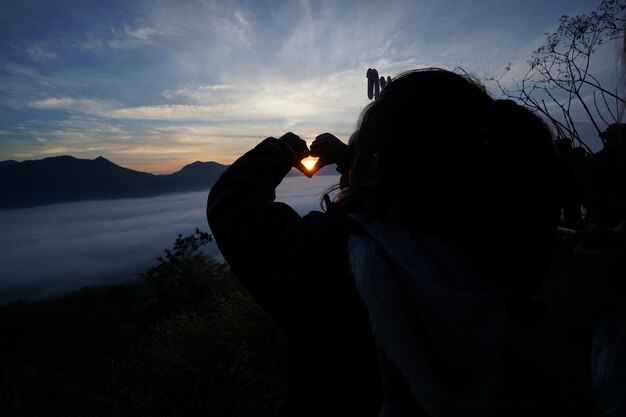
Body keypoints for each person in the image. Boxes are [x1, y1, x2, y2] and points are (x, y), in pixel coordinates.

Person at [206, 67, 559, 417]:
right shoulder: (491, 250)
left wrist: (283, 149)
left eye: (359, 146)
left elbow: (232, 203)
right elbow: (415, 185)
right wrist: (351, 158)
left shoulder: (337, 260)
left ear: (374, 167)